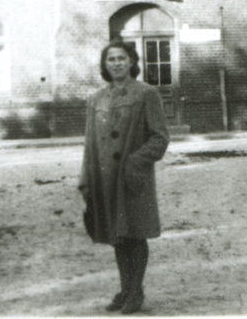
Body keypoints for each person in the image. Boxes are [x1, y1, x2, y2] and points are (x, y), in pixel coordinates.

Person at [79, 40, 170, 314]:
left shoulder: (146, 94)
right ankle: (125, 288)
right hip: (106, 179)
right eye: (111, 59)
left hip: (132, 178)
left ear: (131, 62)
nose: (117, 63)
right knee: (118, 235)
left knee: (135, 233)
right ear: (105, 65)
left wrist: (135, 162)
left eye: (121, 58)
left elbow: (160, 138)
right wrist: (86, 178)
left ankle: (136, 290)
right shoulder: (96, 99)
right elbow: (90, 143)